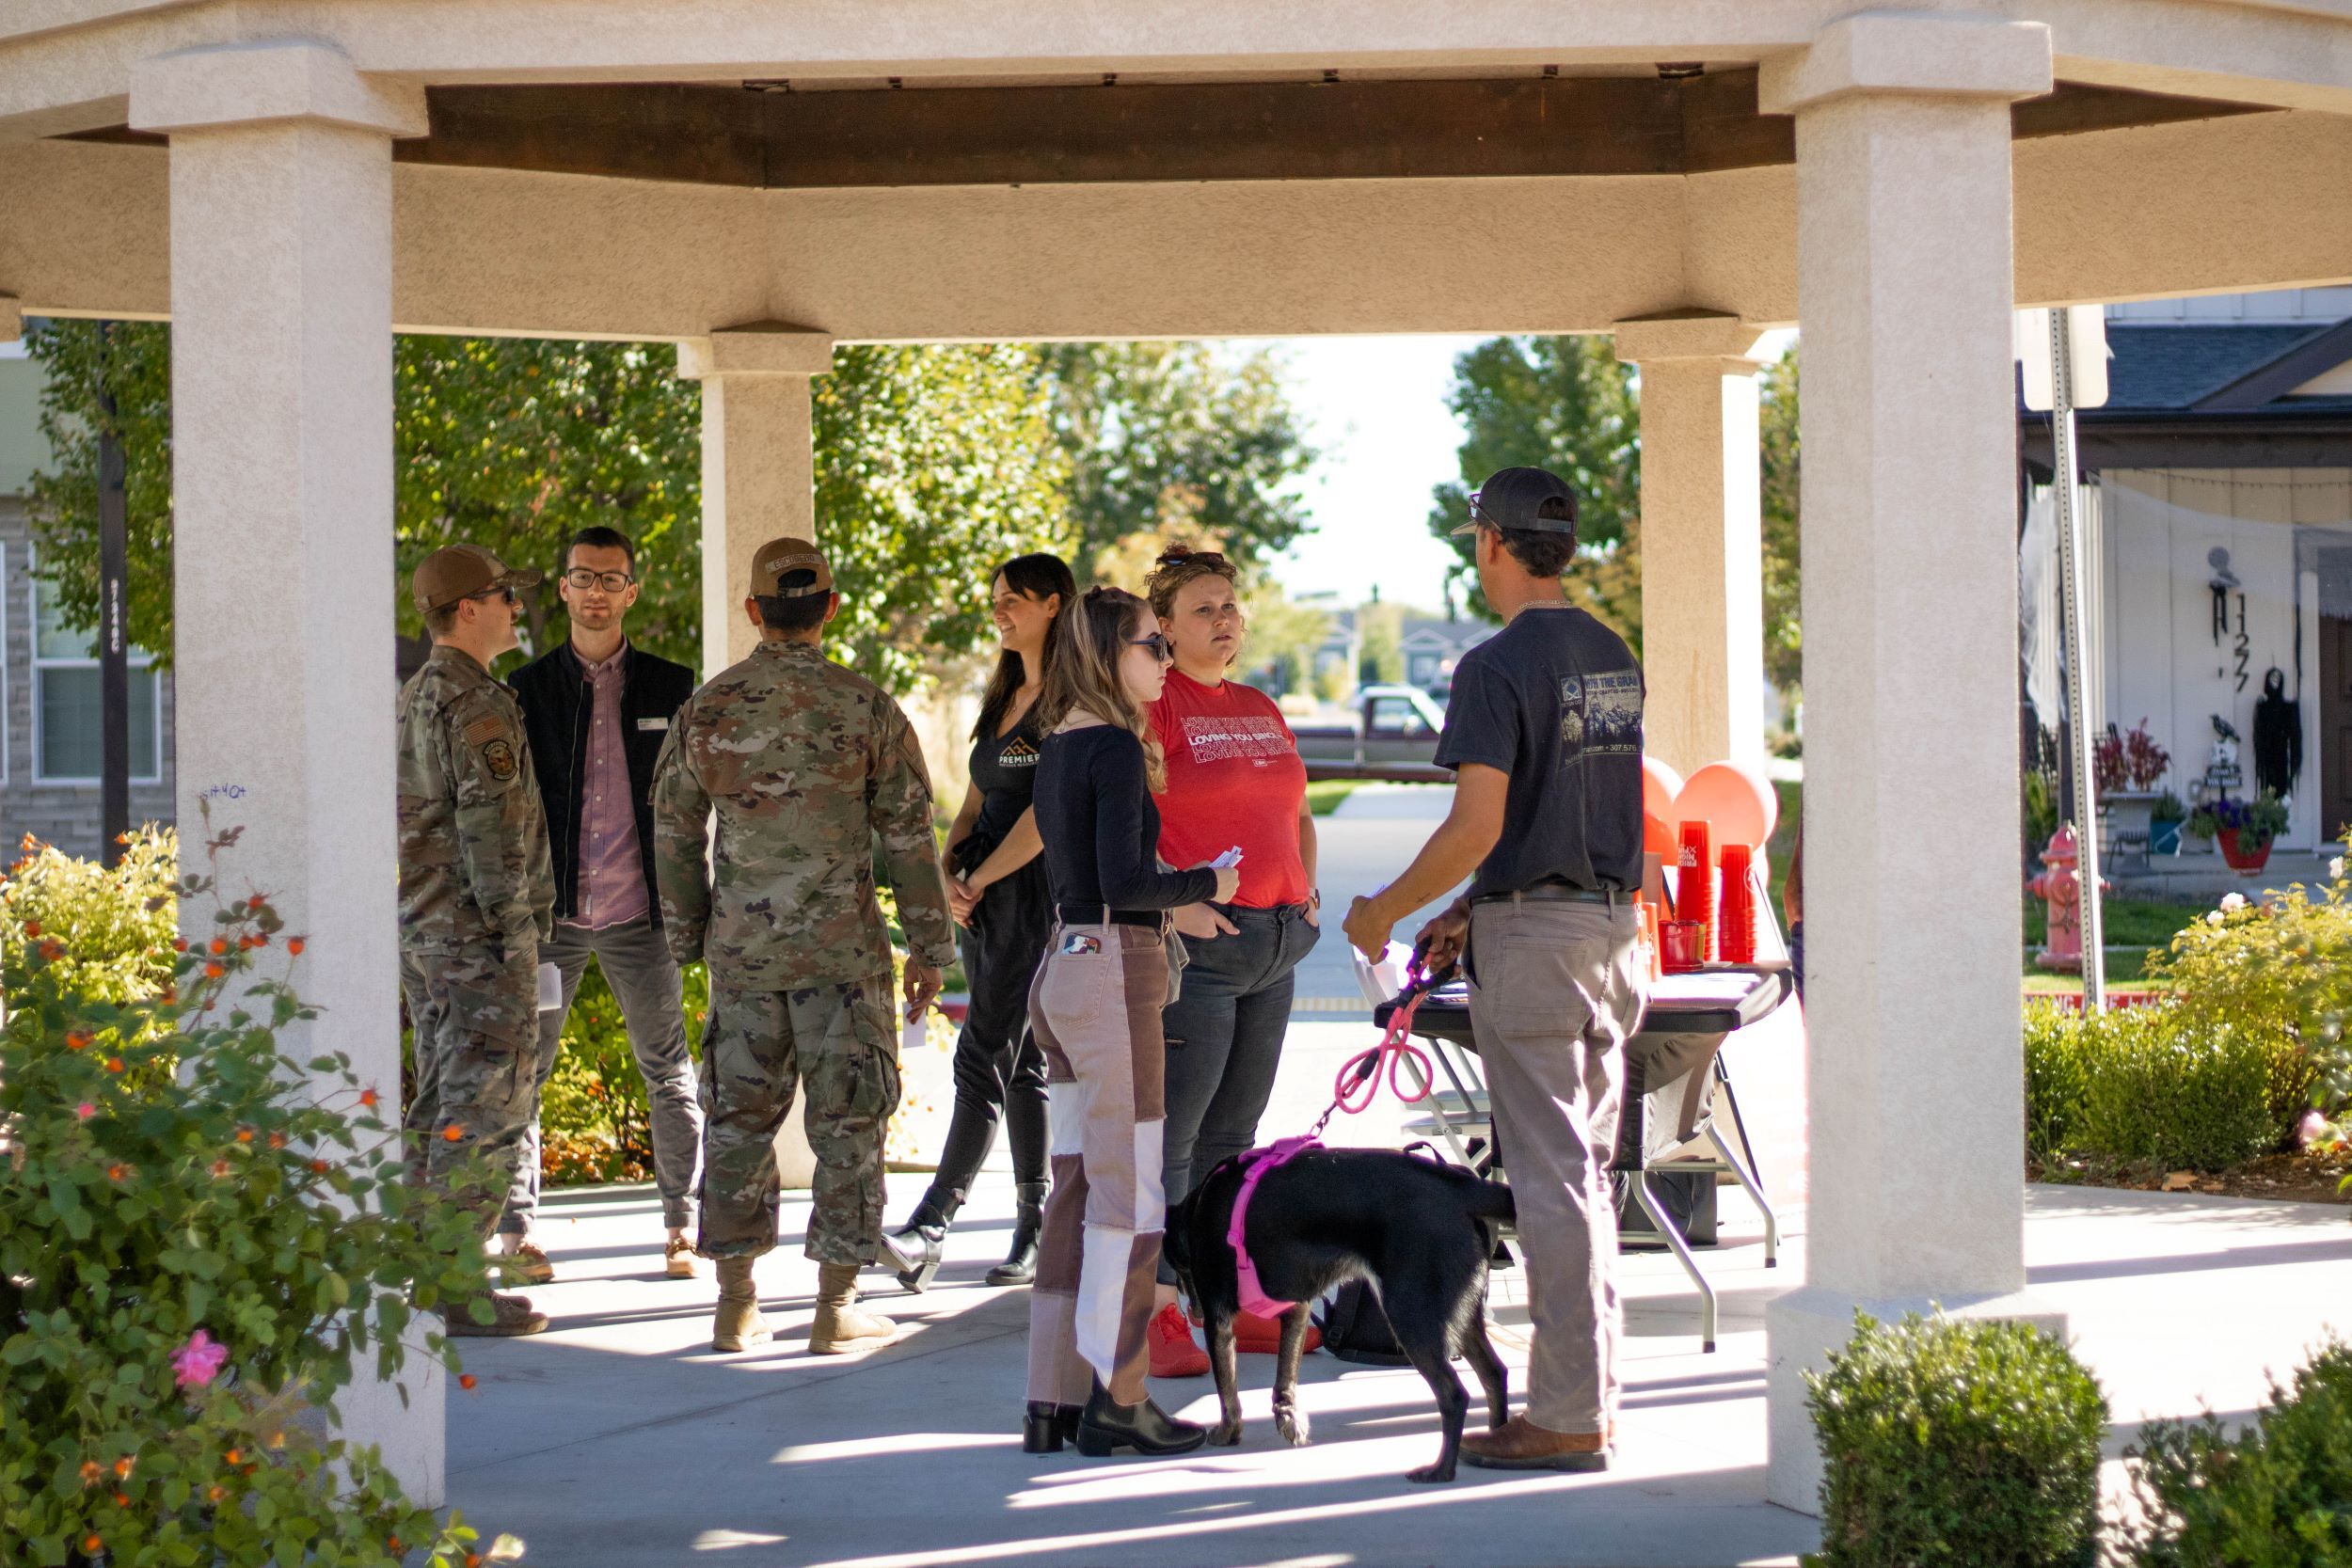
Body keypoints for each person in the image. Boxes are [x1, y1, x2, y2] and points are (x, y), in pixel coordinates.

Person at [1343, 466, 1646, 1473]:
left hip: (1539, 948)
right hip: (1611, 936)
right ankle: (1593, 1395)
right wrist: (1470, 909)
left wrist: (1384, 909)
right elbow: (1576, 807)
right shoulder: (1611, 652)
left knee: (1552, 1183)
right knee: (1587, 1178)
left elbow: (1477, 821)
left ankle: (1564, 1413)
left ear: (1490, 545)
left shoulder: (1494, 664)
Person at [650, 536, 955, 1355]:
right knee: (848, 1126)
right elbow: (910, 839)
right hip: (843, 962)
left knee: (739, 1123)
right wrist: (930, 945)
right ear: (830, 607)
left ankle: (737, 1303)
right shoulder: (866, 708)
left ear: (753, 609)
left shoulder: (708, 709)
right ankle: (835, 1305)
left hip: (744, 960)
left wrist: (689, 936)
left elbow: (673, 832)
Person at [1024, 587, 1238, 1459]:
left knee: (1074, 1187)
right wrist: (1205, 884)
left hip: (1065, 967)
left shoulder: (1057, 744)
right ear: (1113, 652)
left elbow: (1084, 878)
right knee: (1133, 1187)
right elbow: (1125, 880)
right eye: (1152, 643)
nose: (1162, 656)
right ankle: (1120, 1396)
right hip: (1114, 967)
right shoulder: (1112, 744)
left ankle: (1053, 1399)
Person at [1136, 546, 1323, 1378]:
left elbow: (1297, 808)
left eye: (1230, 606)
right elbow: (1123, 822)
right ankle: (1161, 1306)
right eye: (1205, 608)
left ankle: (1227, 1297)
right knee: (1173, 1139)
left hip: (1276, 944)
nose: (1225, 620)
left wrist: (1306, 891)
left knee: (1235, 1134)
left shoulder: (1257, 703)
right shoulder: (1154, 705)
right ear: (1165, 628)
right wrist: (1172, 902)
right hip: (1201, 951)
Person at [505, 525, 704, 1285]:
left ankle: (682, 1225)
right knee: (528, 1072)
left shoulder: (670, 685)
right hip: (551, 919)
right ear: (562, 588)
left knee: (668, 1070)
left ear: (631, 590)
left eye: (609, 577)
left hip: (640, 917)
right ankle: (517, 1233)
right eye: (581, 575)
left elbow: (693, 801)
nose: (595, 589)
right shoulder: (524, 692)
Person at [882, 553, 1073, 1291]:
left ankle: (931, 1223)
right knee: (1016, 1062)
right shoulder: (1004, 695)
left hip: (1032, 900)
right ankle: (1036, 1226)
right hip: (980, 901)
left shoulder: (1068, 701)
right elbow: (973, 801)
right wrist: (948, 872)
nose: (999, 610)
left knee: (980, 1049)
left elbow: (1047, 814)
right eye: (995, 599)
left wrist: (982, 876)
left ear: (1055, 604)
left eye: (1014, 599)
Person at [396, 544, 558, 1338]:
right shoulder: (476, 704)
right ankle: (456, 1284)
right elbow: (492, 833)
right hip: (478, 943)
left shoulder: (416, 694)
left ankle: (428, 1272)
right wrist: (514, 938)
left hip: (427, 937)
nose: (514, 606)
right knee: (487, 1112)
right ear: (467, 609)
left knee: (438, 1105)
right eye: (503, 594)